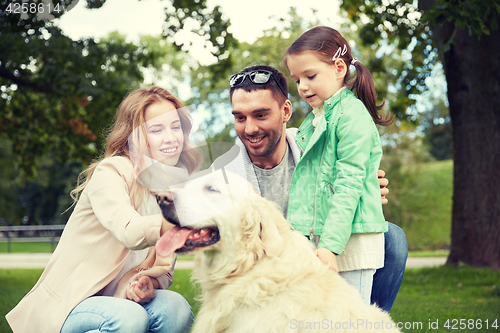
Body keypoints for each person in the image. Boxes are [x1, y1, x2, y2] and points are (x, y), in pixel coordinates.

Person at [6, 86, 200, 333]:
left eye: (175, 127)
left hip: (120, 300)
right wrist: (174, 222)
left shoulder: (172, 189)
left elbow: (164, 266)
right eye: (157, 129)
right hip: (73, 304)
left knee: (176, 308)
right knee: (128, 318)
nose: (171, 137)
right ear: (135, 136)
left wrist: (149, 281)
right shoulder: (111, 172)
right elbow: (128, 230)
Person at [224, 63, 407, 311]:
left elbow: (348, 183)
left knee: (392, 239)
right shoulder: (224, 176)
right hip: (266, 276)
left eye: (260, 115)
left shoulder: (316, 142)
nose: (250, 129)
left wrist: (367, 190)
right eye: (239, 117)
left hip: (319, 253)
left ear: (286, 111)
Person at [283, 25, 394, 304]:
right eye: (297, 80)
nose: (302, 87)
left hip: (351, 242)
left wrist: (330, 247)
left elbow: (348, 186)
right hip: (325, 242)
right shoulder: (316, 120)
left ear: (339, 68)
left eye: (310, 76)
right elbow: (311, 188)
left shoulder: (351, 116)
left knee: (349, 319)